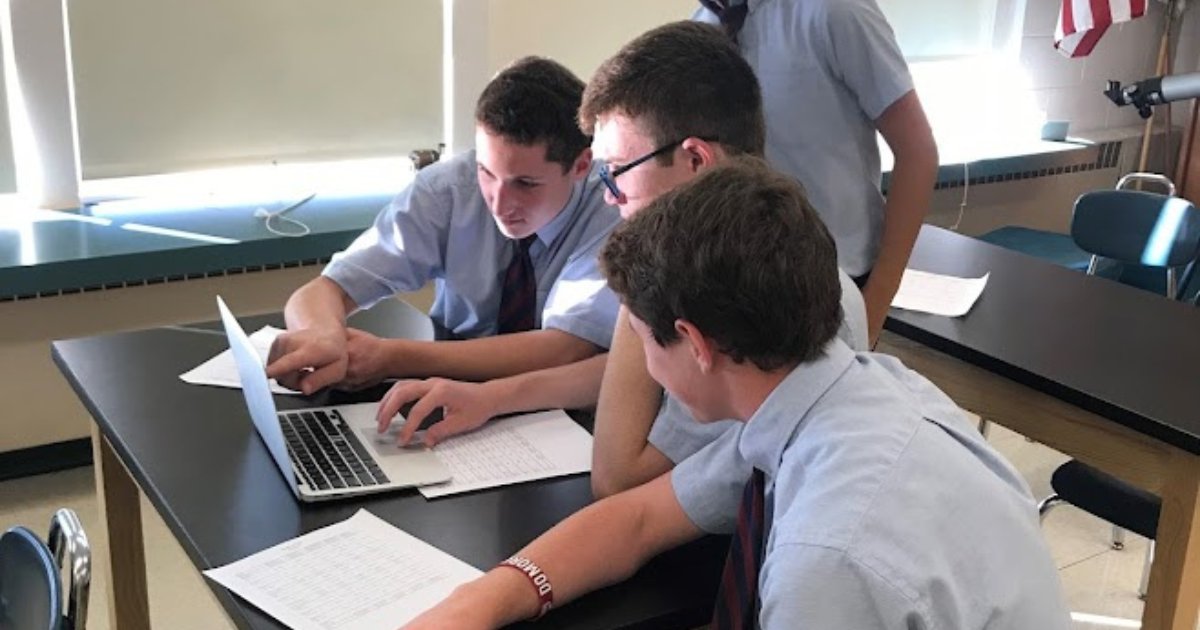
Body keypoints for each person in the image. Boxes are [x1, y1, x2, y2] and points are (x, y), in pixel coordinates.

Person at [401, 158, 1069, 630]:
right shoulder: (840, 399)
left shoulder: (827, 560)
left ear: (693, 343)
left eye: (638, 338)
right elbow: (635, 520)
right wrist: (483, 600)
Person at [372, 22, 867, 459]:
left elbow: (618, 473)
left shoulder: (752, 293)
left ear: (695, 162)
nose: (609, 199)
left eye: (616, 173)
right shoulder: (714, 263)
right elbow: (622, 375)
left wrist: (637, 270)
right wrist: (494, 397)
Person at [265, 57, 621, 395]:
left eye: (525, 184)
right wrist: (324, 336)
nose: (498, 203)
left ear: (580, 166)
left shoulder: (613, 208)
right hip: (447, 391)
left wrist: (393, 358)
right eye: (486, 171)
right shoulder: (449, 190)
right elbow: (323, 290)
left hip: (560, 406)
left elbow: (565, 348)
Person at [697, 0, 939, 347]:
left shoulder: (835, 11)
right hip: (744, 291)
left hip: (838, 290)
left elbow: (918, 152)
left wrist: (873, 310)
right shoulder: (704, 27)